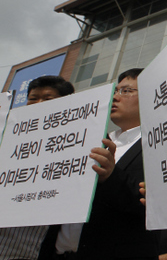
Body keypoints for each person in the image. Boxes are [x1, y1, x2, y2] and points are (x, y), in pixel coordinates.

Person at [39, 68, 160, 260]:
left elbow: (152, 205)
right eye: (115, 91)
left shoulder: (160, 143)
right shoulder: (87, 139)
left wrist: (112, 175)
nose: (116, 97)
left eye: (126, 91)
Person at [0, 76, 74, 260]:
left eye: (48, 99)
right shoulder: (7, 133)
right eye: (33, 98)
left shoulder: (78, 139)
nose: (38, 103)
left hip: (27, 247)